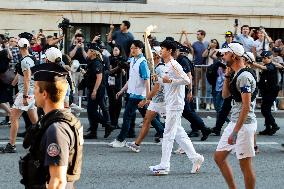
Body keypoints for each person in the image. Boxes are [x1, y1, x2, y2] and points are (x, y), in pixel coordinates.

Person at [19, 62, 83, 189]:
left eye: (36, 88)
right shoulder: (58, 121)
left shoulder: (56, 129)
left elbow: (58, 181)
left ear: (44, 94)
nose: (34, 92)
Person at [149, 40, 204, 175]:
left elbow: (187, 80)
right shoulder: (167, 65)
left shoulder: (174, 64)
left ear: (170, 51)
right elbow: (166, 81)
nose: (160, 51)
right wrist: (158, 79)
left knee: (168, 134)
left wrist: (170, 81)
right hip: (171, 102)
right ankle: (196, 158)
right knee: (179, 133)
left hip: (175, 104)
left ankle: (164, 165)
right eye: (160, 49)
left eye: (163, 49)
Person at [214, 43, 257, 189]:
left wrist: (236, 131)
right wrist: (227, 75)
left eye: (225, 54)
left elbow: (246, 106)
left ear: (233, 56)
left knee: (245, 164)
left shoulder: (244, 76)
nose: (223, 57)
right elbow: (225, 95)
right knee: (219, 158)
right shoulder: (235, 73)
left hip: (244, 125)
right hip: (236, 121)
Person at [109, 40, 150, 147]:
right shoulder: (132, 60)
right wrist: (122, 90)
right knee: (149, 117)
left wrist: (147, 97)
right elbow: (131, 79)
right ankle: (162, 134)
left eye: (134, 48)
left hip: (139, 95)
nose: (132, 50)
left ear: (140, 49)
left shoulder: (142, 62)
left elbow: (147, 80)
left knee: (127, 116)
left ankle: (121, 139)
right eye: (131, 48)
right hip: (132, 93)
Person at [0, 38, 38, 153]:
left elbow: (26, 79)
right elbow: (21, 75)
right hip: (31, 92)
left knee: (13, 117)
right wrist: (13, 85)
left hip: (26, 93)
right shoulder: (32, 58)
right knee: (35, 122)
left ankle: (11, 145)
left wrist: (24, 95)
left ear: (19, 47)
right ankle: (40, 142)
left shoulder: (24, 61)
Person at [126, 46, 165, 152]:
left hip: (164, 101)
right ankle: (136, 144)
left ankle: (184, 146)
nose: (148, 57)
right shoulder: (154, 68)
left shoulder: (160, 69)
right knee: (147, 119)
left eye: (151, 55)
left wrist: (146, 99)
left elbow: (157, 88)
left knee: (175, 127)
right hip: (156, 100)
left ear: (156, 56)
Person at [83, 43, 114, 139]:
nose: (87, 52)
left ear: (92, 52)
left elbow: (99, 78)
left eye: (88, 50)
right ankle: (93, 132)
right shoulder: (91, 61)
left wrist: (94, 91)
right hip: (92, 88)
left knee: (92, 111)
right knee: (91, 111)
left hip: (97, 89)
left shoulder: (97, 62)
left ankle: (107, 125)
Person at [251, 51, 283, 135]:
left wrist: (253, 63)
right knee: (266, 109)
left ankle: (274, 125)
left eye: (265, 58)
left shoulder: (271, 66)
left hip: (271, 91)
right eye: (263, 58)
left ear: (270, 58)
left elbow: (263, 68)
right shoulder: (269, 65)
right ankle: (268, 128)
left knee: (265, 110)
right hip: (266, 91)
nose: (263, 59)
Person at [192, 30, 209, 108]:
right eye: (197, 34)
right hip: (197, 67)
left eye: (198, 34)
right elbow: (192, 53)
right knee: (196, 84)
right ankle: (195, 100)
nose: (197, 35)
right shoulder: (195, 44)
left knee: (204, 85)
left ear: (203, 35)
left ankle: (203, 101)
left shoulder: (206, 44)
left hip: (205, 67)